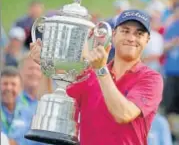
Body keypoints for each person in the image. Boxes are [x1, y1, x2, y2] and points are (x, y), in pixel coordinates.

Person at [29, 10, 163, 145]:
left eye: (139, 33)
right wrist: (46, 66)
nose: (131, 38)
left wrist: (100, 70)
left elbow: (124, 114)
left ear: (147, 40)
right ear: (114, 35)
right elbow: (50, 103)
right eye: (125, 31)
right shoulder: (89, 75)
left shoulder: (151, 79)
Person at [0, 66, 37, 145]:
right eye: (5, 84)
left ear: (20, 88)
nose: (9, 88)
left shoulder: (30, 115)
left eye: (13, 84)